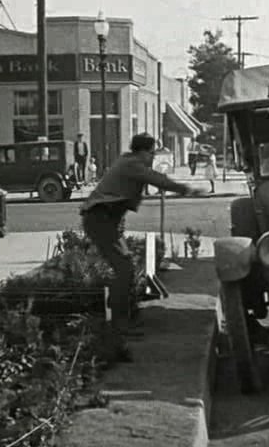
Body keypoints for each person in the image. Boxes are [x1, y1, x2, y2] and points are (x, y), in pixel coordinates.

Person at [80, 133, 205, 337]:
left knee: (126, 265)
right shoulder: (133, 164)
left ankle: (119, 315)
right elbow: (157, 179)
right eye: (152, 152)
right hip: (99, 220)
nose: (153, 157)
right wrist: (187, 190)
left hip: (105, 220)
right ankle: (118, 323)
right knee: (124, 267)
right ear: (143, 151)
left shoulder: (128, 161)